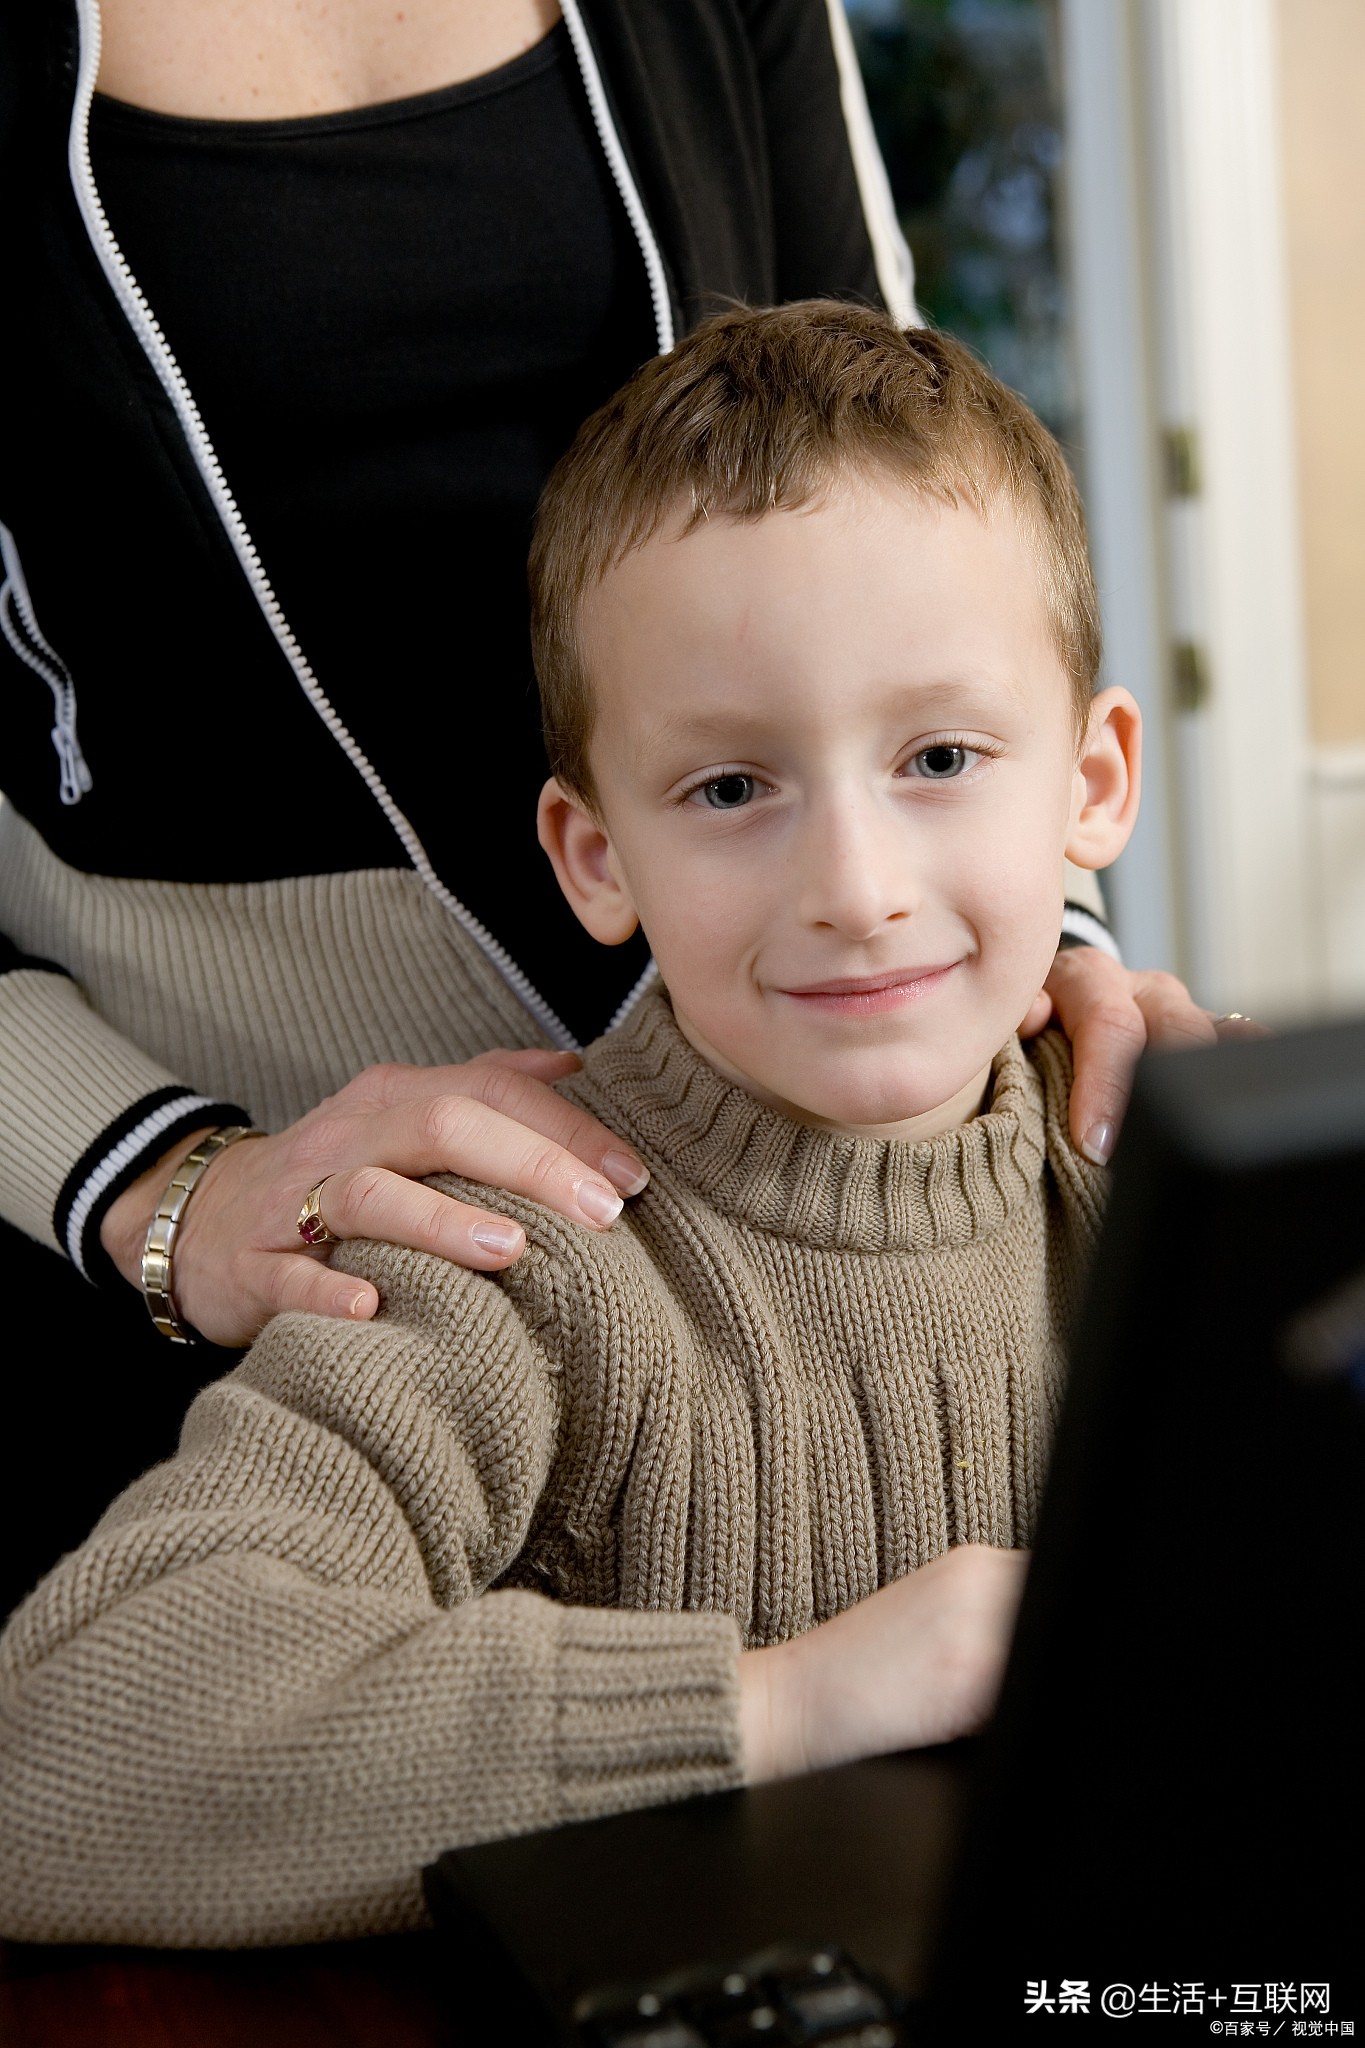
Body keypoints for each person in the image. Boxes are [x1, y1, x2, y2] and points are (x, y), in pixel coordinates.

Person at [0, 0, 1209, 1625]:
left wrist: (1025, 925)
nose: (857, 886)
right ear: (592, 852)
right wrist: (160, 1190)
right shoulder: (467, 1331)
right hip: (268, 1304)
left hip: (795, 1189)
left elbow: (913, 514)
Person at [2, 302, 1143, 1948]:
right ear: (595, 855)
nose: (856, 891)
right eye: (731, 789)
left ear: (1090, 784)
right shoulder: (520, 1258)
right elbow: (56, 1755)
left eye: (941, 755)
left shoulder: (1154, 1199)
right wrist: (784, 1705)